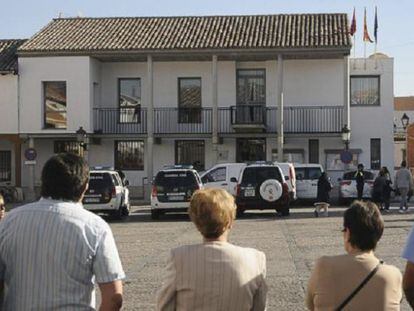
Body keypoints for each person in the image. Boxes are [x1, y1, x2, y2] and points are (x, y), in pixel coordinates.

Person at [0, 153, 125, 310]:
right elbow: (114, 297)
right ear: (85, 185)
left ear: (43, 182)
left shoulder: (8, 222)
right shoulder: (95, 227)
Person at [157, 188, 267, 311]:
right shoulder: (256, 259)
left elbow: (164, 306)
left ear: (196, 222)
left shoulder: (178, 258)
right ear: (230, 221)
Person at [306, 201, 402, 310]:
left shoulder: (324, 266)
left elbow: (310, 305)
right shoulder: (394, 275)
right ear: (379, 234)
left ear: (348, 232)